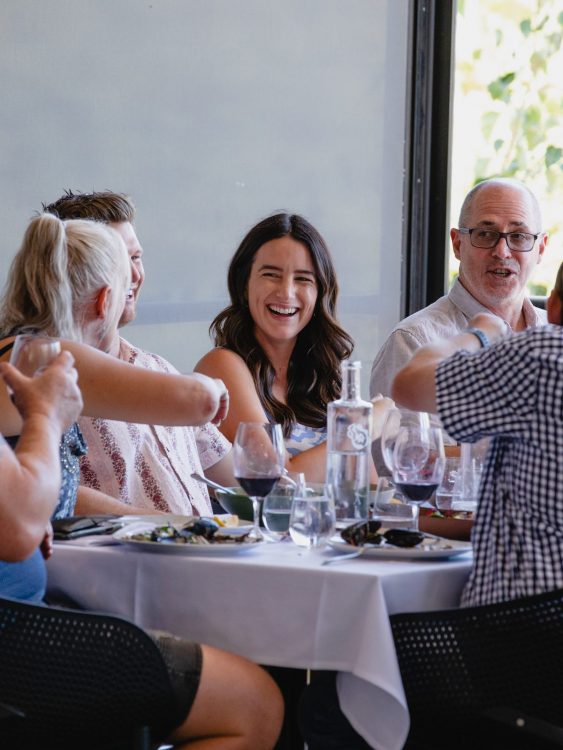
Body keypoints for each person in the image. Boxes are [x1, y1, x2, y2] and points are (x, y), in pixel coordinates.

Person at [0, 355, 284, 749]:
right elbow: (17, 529)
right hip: (17, 636)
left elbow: (15, 516)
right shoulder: (44, 359)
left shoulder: (152, 361)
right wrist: (46, 417)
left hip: (29, 616)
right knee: (255, 704)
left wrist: (27, 513)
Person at [0, 213, 230, 517]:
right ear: (104, 300)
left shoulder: (20, 350)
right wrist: (215, 385)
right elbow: (200, 401)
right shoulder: (48, 356)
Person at [391, 264, 563, 606]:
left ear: (554, 306)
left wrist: (478, 334)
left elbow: (407, 384)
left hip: (521, 619)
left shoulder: (541, 356)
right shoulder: (413, 332)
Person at [195, 212, 389, 482]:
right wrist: (365, 426)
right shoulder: (222, 365)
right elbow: (278, 479)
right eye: (271, 275)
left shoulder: (322, 375)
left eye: (303, 279)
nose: (286, 292)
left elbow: (365, 487)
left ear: (319, 292)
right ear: (244, 284)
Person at [370, 177, 548, 401]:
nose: (502, 252)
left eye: (519, 236)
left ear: (541, 249)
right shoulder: (414, 342)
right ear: (457, 244)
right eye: (485, 234)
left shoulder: (555, 334)